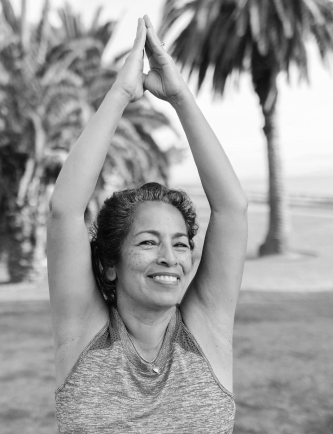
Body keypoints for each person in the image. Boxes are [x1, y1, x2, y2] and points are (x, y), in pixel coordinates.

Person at [48, 15, 248, 433]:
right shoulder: (84, 334)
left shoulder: (206, 333)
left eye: (179, 243)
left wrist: (180, 97)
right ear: (109, 264)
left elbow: (231, 209)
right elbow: (66, 209)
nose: (169, 258)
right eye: (147, 242)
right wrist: (121, 92)